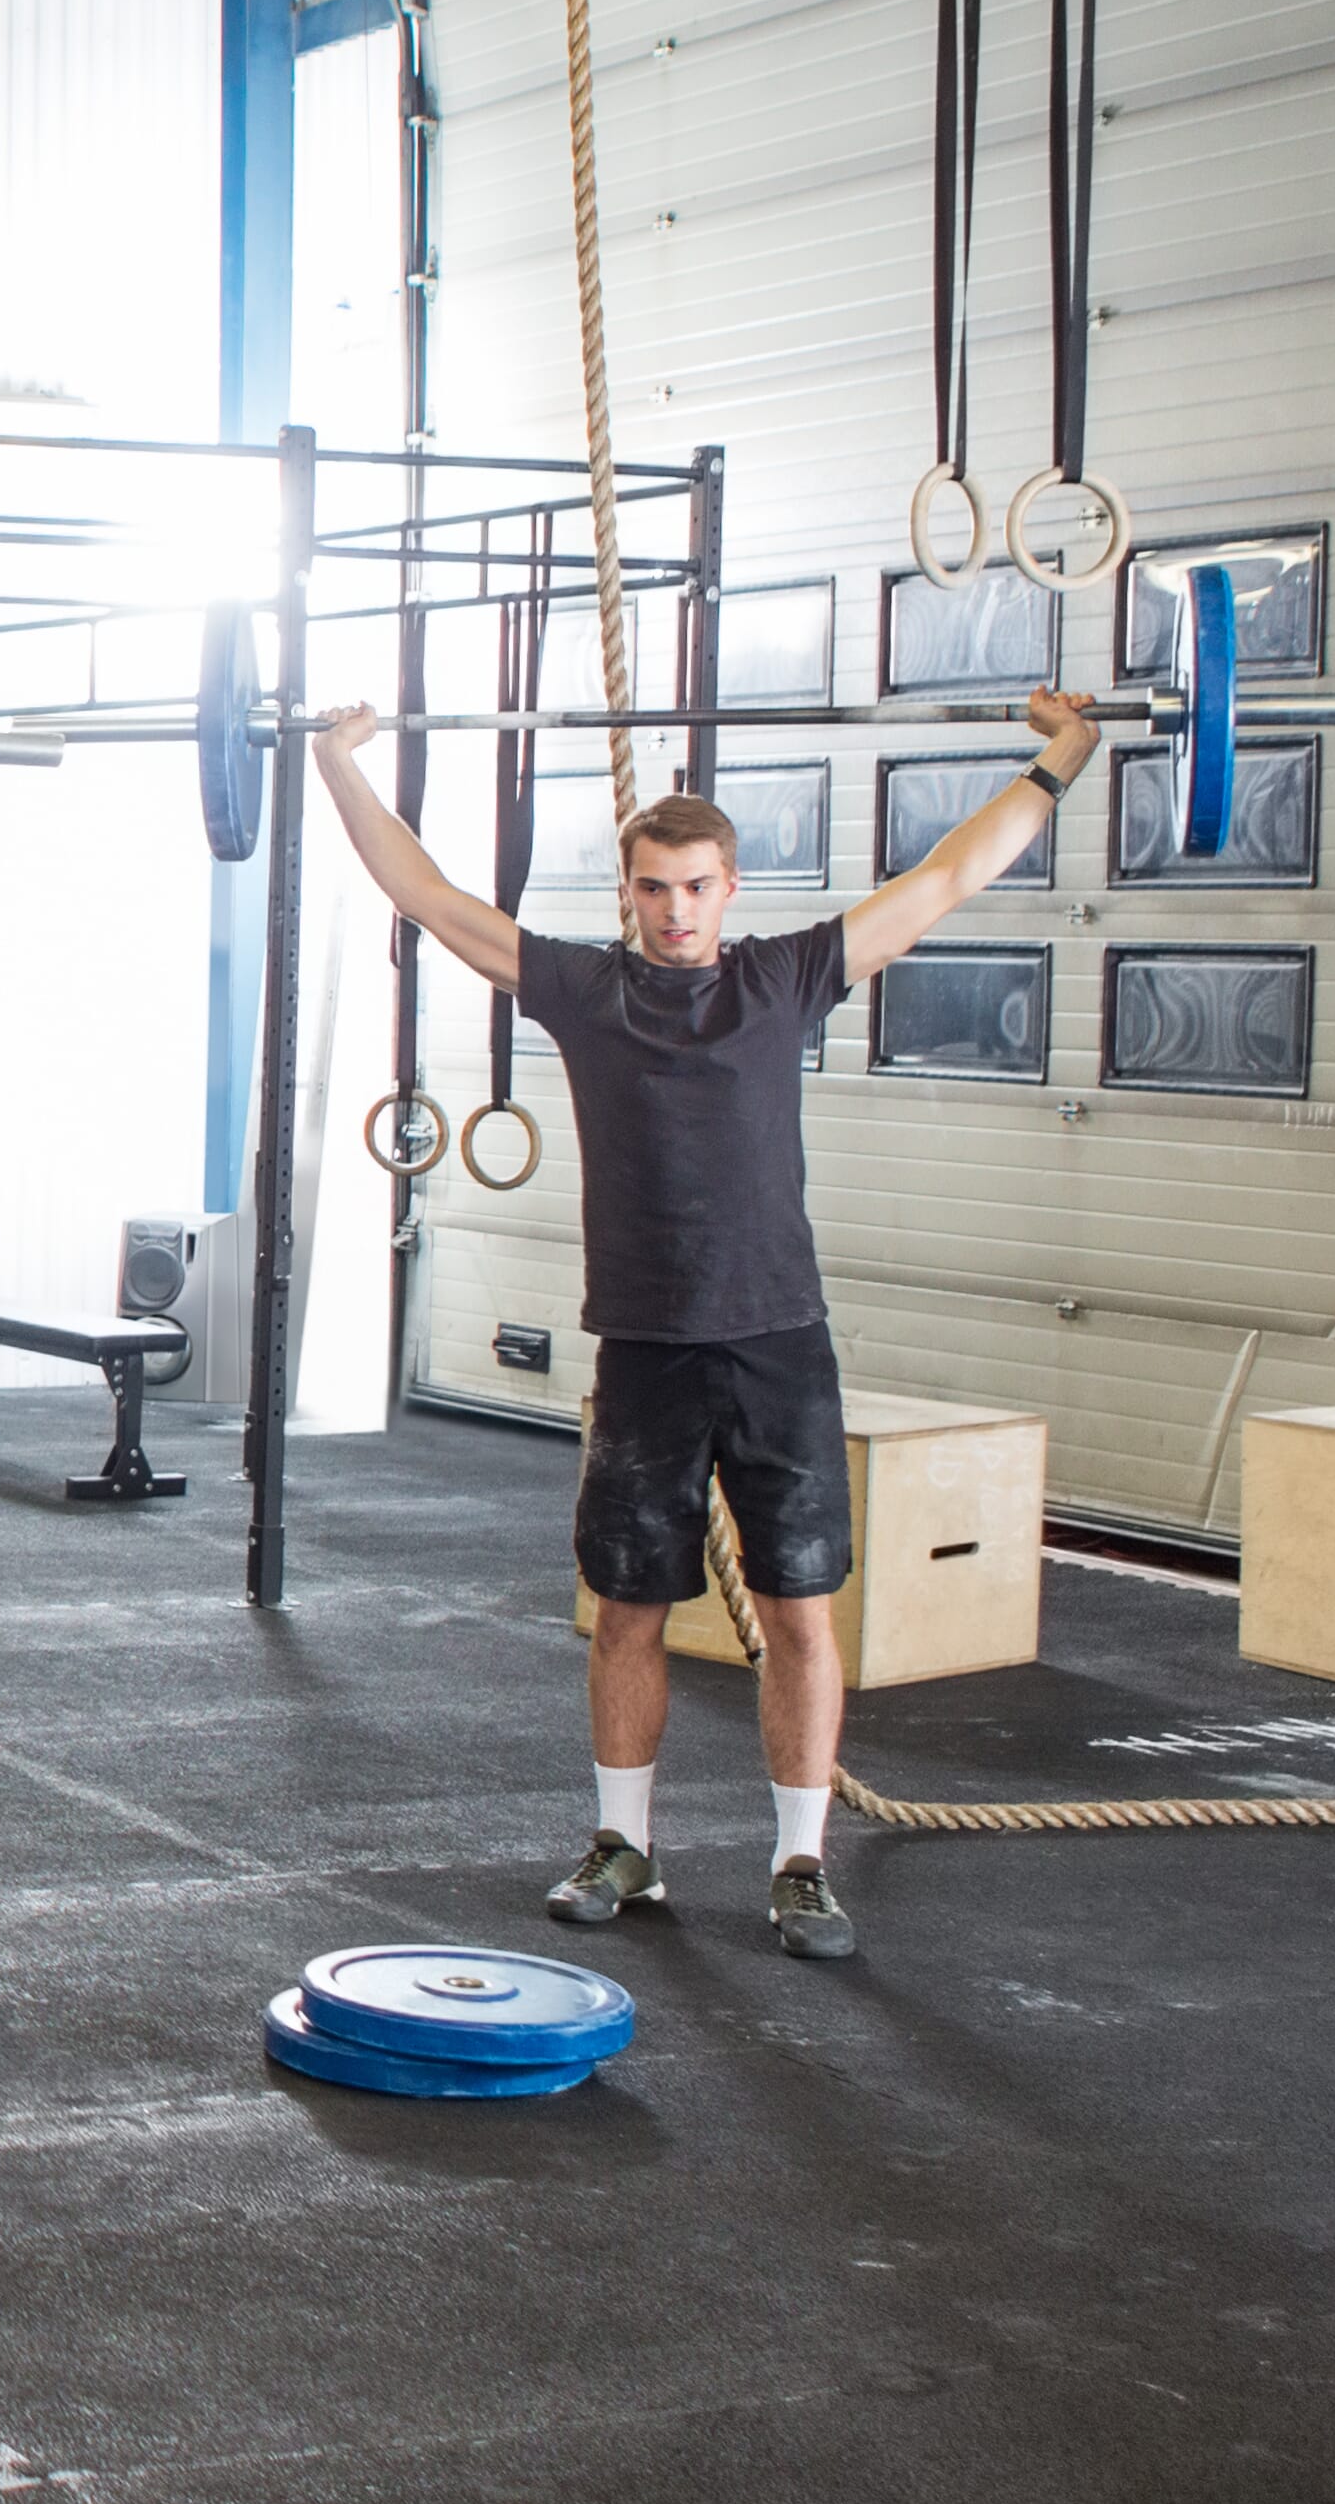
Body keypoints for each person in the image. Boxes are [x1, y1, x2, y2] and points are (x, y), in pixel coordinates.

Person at [310, 688, 1102, 1961]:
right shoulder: (583, 989)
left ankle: (800, 1864)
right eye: (652, 889)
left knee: (799, 1613)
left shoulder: (786, 978)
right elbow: (427, 896)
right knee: (629, 1610)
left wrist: (1063, 757)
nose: (674, 910)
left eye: (694, 887)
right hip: (645, 1348)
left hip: (779, 1342)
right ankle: (624, 1846)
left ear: (730, 888)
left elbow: (950, 876)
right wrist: (337, 764)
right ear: (626, 895)